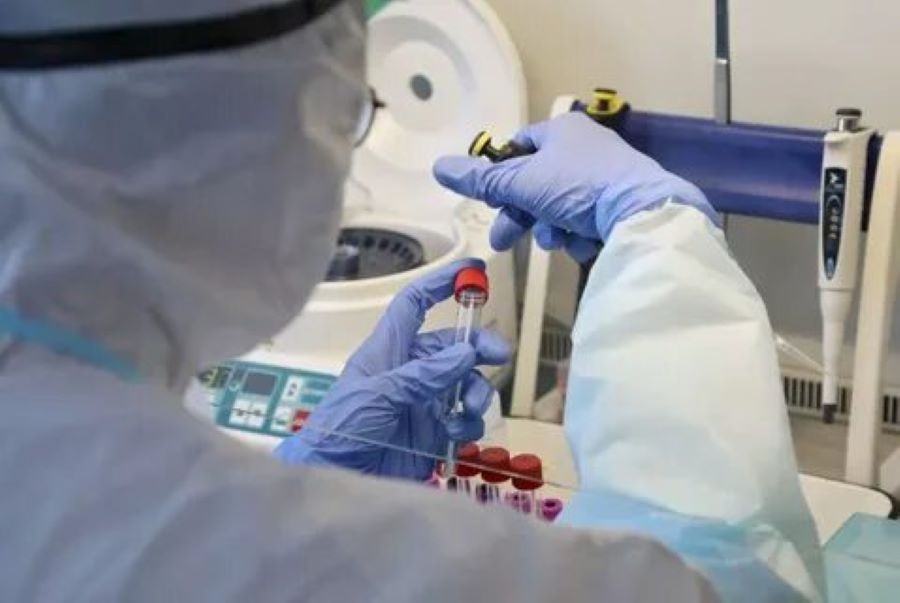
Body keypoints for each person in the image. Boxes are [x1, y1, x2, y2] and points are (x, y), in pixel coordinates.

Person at [0, 1, 821, 601]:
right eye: (354, 112)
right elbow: (730, 577)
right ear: (216, 125)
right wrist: (658, 231)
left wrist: (299, 473)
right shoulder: (307, 565)